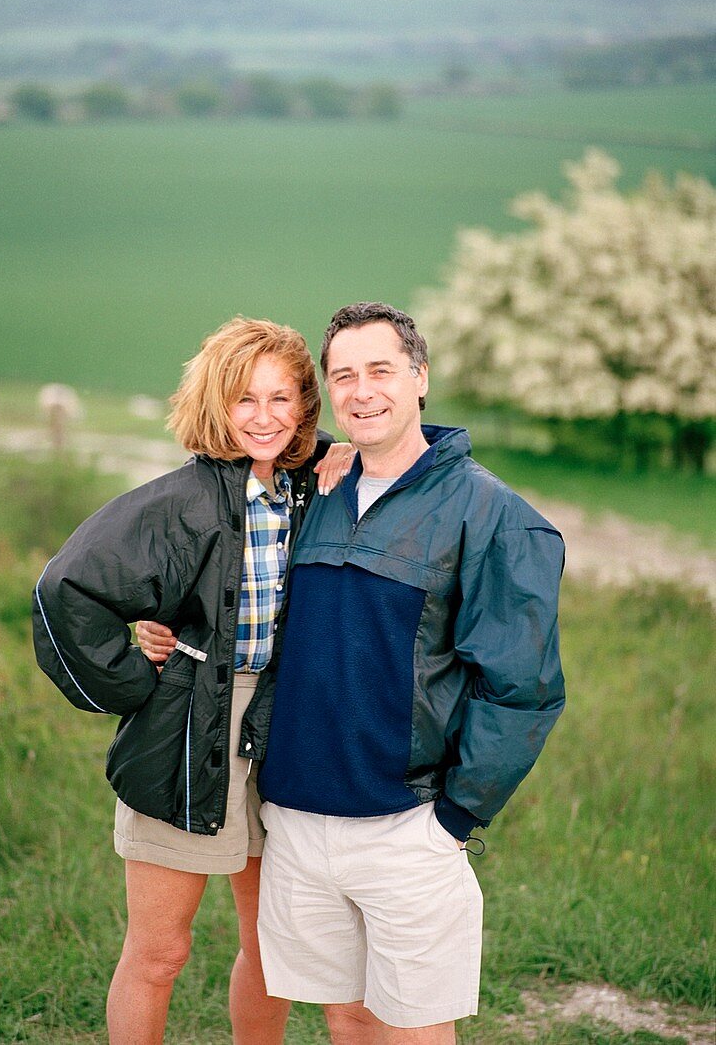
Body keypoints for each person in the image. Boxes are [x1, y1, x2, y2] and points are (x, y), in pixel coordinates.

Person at [139, 301, 566, 1045]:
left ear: (421, 376)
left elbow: (521, 688)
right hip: (297, 822)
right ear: (328, 393)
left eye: (382, 371)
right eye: (344, 376)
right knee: (348, 1017)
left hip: (407, 824)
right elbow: (240, 584)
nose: (363, 391)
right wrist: (156, 625)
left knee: (413, 1024)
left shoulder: (492, 514)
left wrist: (454, 818)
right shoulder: (314, 492)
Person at [31, 317, 353, 1045]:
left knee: (273, 951)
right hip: (186, 727)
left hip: (286, 734)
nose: (265, 417)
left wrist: (347, 454)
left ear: (305, 405)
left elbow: (410, 452)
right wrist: (127, 678)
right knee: (160, 953)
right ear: (216, 403)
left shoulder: (322, 484)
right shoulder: (178, 501)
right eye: (245, 399)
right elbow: (67, 588)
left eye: (282, 398)